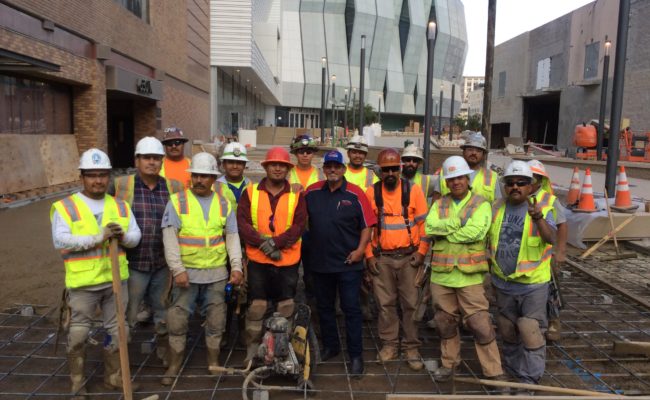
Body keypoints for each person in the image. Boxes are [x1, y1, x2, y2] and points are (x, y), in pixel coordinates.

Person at [50, 148, 142, 397]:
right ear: (82, 177)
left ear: (109, 176)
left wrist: (123, 236)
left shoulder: (120, 206)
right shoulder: (66, 207)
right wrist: (98, 237)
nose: (98, 180)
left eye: (103, 175)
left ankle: (114, 377)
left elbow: (135, 236)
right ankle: (77, 383)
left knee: (117, 331)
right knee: (79, 334)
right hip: (83, 283)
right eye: (92, 175)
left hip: (114, 280)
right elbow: (61, 241)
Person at [160, 152, 244, 385]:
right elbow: (169, 237)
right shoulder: (177, 202)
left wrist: (236, 267)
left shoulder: (224, 204)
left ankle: (213, 363)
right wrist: (177, 269)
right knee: (177, 322)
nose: (199, 180)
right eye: (196, 175)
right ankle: (175, 365)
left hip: (217, 275)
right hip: (186, 274)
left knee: (217, 322)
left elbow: (232, 237)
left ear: (213, 179)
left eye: (205, 176)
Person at [424, 156, 504, 382]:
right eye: (451, 179)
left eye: (460, 177)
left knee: (480, 324)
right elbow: (429, 227)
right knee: (444, 322)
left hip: (469, 277)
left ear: (467, 178)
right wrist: (458, 223)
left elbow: (476, 233)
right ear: (446, 183)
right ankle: (450, 364)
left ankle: (493, 371)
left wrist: (444, 231)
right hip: (442, 276)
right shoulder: (439, 204)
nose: (456, 182)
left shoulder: (481, 204)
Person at [111, 137, 183, 366]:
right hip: (133, 264)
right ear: (137, 160)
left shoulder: (173, 187)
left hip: (162, 263)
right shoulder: (122, 185)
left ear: (162, 161)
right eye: (147, 158)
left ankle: (163, 353)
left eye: (156, 158)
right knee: (128, 313)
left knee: (163, 311)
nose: (152, 162)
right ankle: (120, 361)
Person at [304, 150, 376, 377]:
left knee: (351, 309)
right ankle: (331, 347)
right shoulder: (312, 192)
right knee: (324, 308)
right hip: (320, 263)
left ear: (343, 169)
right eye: (329, 166)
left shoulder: (356, 194)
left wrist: (361, 250)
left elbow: (367, 225)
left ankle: (356, 355)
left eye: (337, 166)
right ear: (324, 169)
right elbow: (300, 220)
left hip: (348, 263)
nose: (332, 170)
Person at [489, 160, 556, 389]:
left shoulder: (542, 208)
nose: (515, 186)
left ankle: (529, 382)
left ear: (531, 186)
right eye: (510, 182)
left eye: (521, 183)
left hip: (533, 285)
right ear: (504, 185)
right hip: (503, 282)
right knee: (507, 329)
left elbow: (551, 238)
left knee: (530, 330)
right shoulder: (496, 207)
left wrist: (538, 218)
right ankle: (512, 370)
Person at [236, 146, 307, 363]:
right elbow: (243, 222)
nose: (277, 169)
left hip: (287, 260)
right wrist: (262, 244)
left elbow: (299, 225)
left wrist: (276, 243)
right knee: (257, 306)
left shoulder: (297, 193)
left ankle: (280, 349)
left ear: (288, 169)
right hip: (258, 260)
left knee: (286, 305)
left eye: (282, 166)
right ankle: (253, 347)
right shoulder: (250, 192)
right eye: (273, 165)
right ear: (266, 167)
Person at [365, 148, 429, 371]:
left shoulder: (413, 191)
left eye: (394, 169)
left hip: (409, 258)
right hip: (382, 259)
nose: (390, 173)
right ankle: (390, 344)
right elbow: (365, 228)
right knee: (385, 305)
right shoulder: (371, 193)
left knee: (411, 304)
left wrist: (421, 253)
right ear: (379, 171)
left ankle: (411, 347)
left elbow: (424, 226)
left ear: (400, 169)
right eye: (386, 170)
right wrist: (369, 255)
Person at [527, 159, 567, 342]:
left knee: (551, 291)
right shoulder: (517, 196)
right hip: (526, 255)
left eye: (533, 177)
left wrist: (560, 251)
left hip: (545, 254)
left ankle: (554, 322)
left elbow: (562, 224)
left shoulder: (549, 200)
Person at [433, 132, 499, 203]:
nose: (474, 153)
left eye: (478, 151)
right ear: (463, 151)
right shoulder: (447, 171)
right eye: (470, 149)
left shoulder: (492, 177)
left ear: (483, 155)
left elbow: (498, 206)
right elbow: (436, 201)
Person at [215, 141, 253, 209]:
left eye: (239, 163)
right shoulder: (215, 187)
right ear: (224, 164)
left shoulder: (251, 185)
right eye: (230, 162)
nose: (235, 166)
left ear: (244, 165)